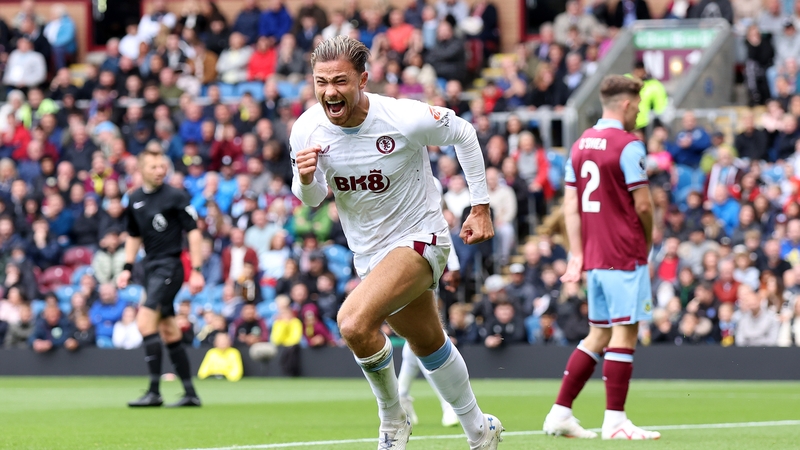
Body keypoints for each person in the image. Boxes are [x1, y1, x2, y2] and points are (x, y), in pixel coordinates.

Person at [290, 36, 503, 449]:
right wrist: (304, 178)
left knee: (353, 323)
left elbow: (464, 132)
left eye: (339, 81)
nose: (329, 91)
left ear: (363, 80)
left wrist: (480, 207)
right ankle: (481, 430)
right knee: (429, 344)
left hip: (420, 237)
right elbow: (313, 200)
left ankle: (393, 418)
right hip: (369, 253)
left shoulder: (401, 117)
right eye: (320, 82)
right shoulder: (306, 129)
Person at [542, 75, 661, 440]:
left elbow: (571, 207)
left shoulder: (579, 146)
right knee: (625, 333)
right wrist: (648, 241)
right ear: (625, 104)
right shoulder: (628, 145)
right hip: (623, 252)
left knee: (598, 334)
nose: (639, 113)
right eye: (638, 106)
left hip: (595, 255)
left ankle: (560, 413)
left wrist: (578, 253)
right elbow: (642, 204)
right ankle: (615, 420)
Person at [118, 148, 206, 408]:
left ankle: (154, 391)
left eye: (162, 166)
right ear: (142, 169)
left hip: (170, 267)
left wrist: (197, 271)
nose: (160, 171)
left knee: (145, 323)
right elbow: (134, 236)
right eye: (154, 167)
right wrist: (126, 267)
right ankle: (190, 393)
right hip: (151, 268)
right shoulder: (134, 198)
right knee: (168, 329)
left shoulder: (176, 196)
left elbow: (194, 232)